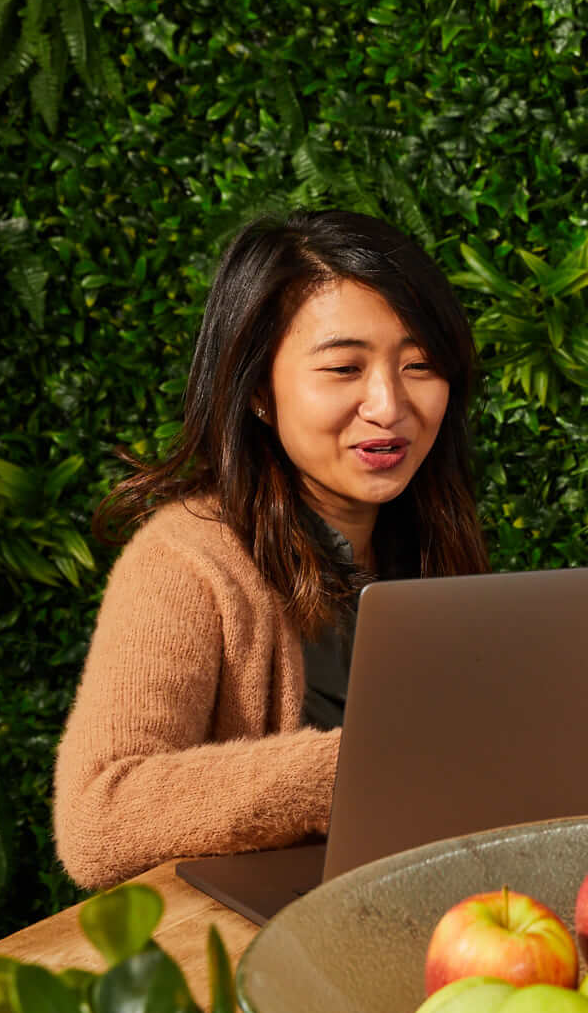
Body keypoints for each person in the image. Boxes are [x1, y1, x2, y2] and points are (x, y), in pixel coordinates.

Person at [53, 211, 489, 888]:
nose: (389, 403)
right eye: (344, 367)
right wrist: (355, 769)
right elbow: (98, 815)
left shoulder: (426, 541)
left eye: (420, 365)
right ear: (259, 389)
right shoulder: (185, 559)